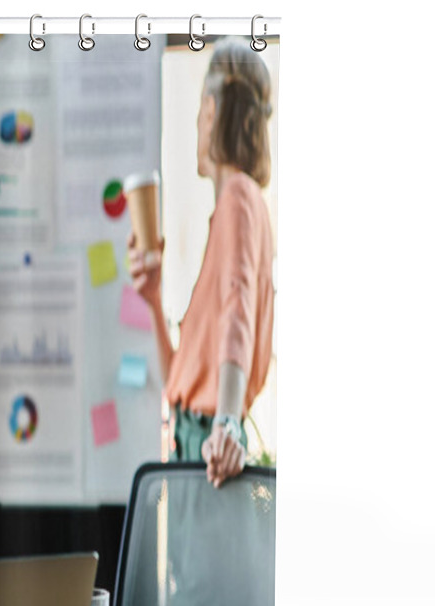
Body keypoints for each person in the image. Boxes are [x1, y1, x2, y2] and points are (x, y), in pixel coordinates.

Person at [128, 37, 274, 488]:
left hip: (208, 446)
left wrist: (227, 423)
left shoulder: (237, 199)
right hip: (196, 439)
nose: (195, 124)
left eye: (198, 112)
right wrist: (153, 300)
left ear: (210, 111)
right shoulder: (237, 210)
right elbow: (178, 380)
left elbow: (238, 311)